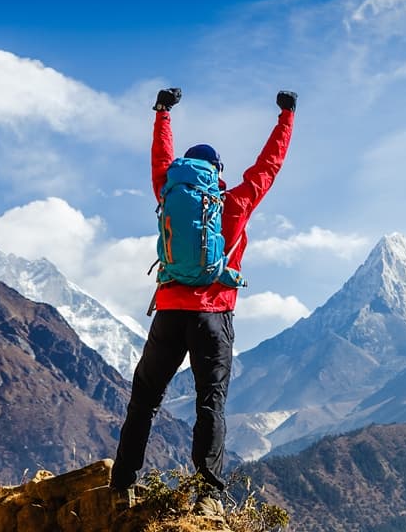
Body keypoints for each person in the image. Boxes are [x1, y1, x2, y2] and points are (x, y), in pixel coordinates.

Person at [110, 87, 297, 514]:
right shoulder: (235, 203)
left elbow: (160, 158)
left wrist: (162, 113)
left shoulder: (168, 194)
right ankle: (208, 496)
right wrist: (286, 116)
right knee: (210, 403)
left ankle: (122, 485)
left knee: (144, 400)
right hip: (214, 318)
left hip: (170, 312)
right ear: (217, 174)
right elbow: (270, 165)